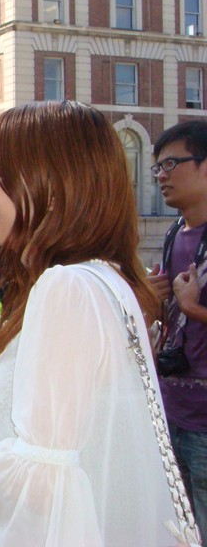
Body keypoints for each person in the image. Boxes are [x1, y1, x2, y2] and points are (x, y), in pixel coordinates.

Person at [0, 101, 187, 546]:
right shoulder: (102, 279)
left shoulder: (65, 288)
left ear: (52, 187)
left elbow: (48, 484)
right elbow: (83, 455)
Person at [152, 118, 207, 537]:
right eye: (157, 166)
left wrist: (194, 307)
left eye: (172, 163)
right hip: (171, 410)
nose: (161, 176)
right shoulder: (174, 233)